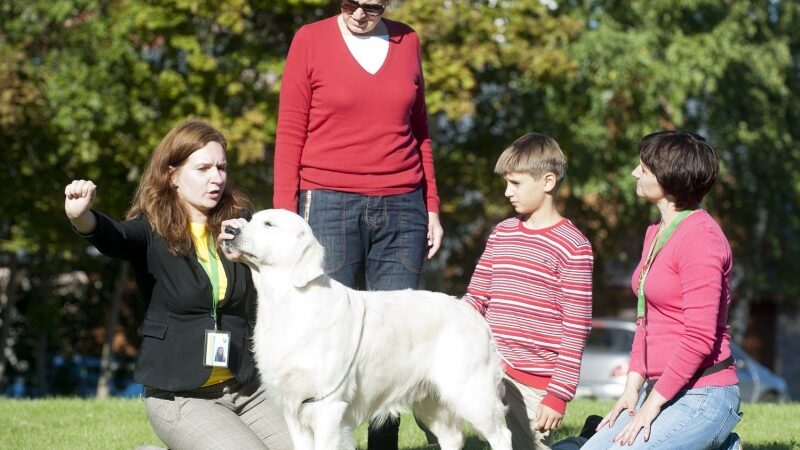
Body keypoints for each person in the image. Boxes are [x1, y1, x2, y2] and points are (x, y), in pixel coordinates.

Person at [273, 1, 443, 448]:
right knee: (325, 335)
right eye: (352, 3)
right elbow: (290, 130)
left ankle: (382, 444)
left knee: (392, 340)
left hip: (403, 205)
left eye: (374, 5)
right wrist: (284, 215)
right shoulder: (309, 40)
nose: (362, 13)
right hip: (327, 201)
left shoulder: (407, 40)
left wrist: (432, 205)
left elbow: (420, 128)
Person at [64, 120, 291, 450]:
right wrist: (81, 216)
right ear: (172, 175)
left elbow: (279, 280)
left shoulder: (239, 223)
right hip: (181, 396)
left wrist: (249, 253)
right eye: (203, 168)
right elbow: (114, 236)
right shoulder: (150, 228)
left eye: (221, 167)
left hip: (247, 387)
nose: (217, 177)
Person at [582, 131, 741, 449]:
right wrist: (631, 389)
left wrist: (651, 407)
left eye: (644, 167)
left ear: (669, 178)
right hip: (660, 388)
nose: (634, 173)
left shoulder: (701, 239)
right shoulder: (655, 231)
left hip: (704, 393)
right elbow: (645, 320)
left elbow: (699, 338)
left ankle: (719, 438)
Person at [464, 133, 594, 450]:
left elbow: (576, 328)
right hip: (489, 370)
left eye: (516, 183)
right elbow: (474, 300)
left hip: (536, 386)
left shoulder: (574, 246)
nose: (508, 192)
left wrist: (558, 394)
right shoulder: (502, 233)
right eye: (506, 183)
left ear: (548, 181)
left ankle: (587, 441)